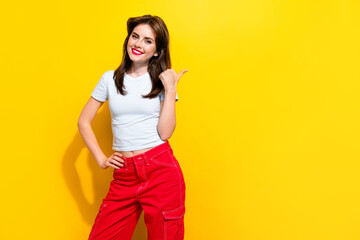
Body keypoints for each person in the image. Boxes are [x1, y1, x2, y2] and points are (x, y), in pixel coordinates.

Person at [77, 14, 188, 240]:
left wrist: (171, 89)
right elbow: (83, 121)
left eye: (148, 40)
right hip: (124, 175)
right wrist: (101, 159)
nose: (138, 44)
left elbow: (165, 133)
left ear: (157, 51)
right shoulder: (110, 79)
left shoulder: (162, 81)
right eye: (135, 36)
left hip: (160, 171)